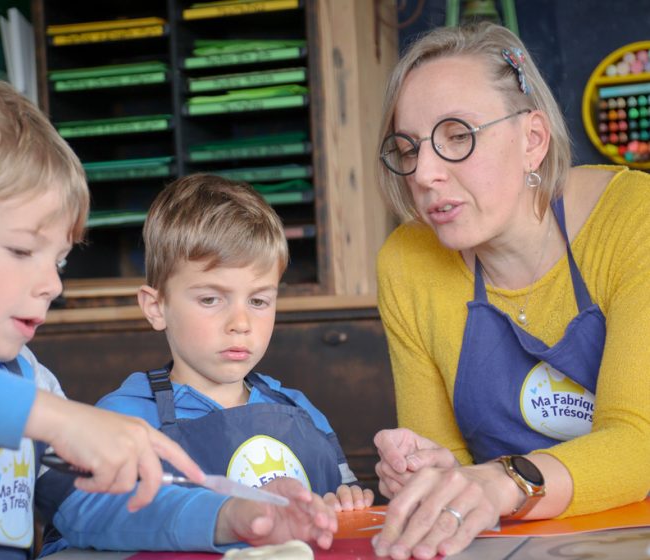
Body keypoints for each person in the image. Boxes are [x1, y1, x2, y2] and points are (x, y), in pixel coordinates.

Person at [0, 79, 205, 558]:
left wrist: (226, 516)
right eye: (22, 249)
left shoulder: (31, 378)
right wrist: (61, 421)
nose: (53, 283)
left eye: (60, 260)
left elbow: (95, 508)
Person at [371, 22, 650, 560]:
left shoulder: (636, 220)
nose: (424, 174)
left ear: (533, 140)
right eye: (408, 149)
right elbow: (449, 458)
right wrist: (428, 472)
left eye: (458, 136)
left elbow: (640, 440)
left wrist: (503, 483)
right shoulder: (406, 264)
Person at [42, 174, 371, 555]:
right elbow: (80, 515)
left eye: (259, 302)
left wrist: (346, 502)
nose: (241, 323)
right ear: (156, 307)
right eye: (211, 299)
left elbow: (342, 496)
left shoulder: (301, 411)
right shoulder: (122, 418)